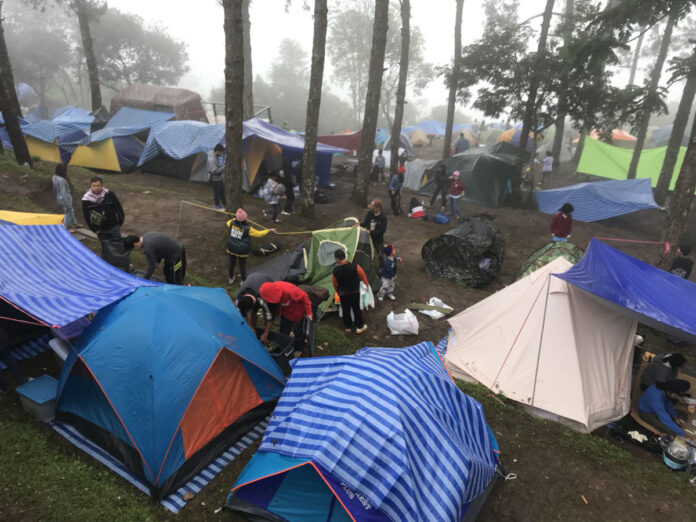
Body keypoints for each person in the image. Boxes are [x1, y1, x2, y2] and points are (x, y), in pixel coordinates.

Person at [259, 281, 313, 358]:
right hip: (285, 313)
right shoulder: (272, 293)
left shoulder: (290, 291)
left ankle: (299, 348)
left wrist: (309, 312)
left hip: (297, 313)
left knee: (298, 332)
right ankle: (284, 347)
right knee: (283, 331)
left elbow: (305, 297)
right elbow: (276, 305)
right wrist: (278, 314)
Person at [226, 208, 273, 284]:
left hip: (231, 247)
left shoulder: (231, 223)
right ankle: (243, 281)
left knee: (232, 263)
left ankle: (231, 278)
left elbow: (228, 222)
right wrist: (268, 230)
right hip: (242, 250)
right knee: (242, 265)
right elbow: (258, 234)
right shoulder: (248, 229)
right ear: (245, 219)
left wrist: (236, 217)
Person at [332, 249, 369, 334]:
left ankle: (348, 327)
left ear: (337, 259)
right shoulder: (355, 266)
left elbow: (334, 283)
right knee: (356, 308)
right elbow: (363, 275)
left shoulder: (335, 270)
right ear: (345, 256)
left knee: (346, 309)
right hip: (355, 292)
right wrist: (366, 285)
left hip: (343, 293)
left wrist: (337, 291)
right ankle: (359, 327)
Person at [236, 273, 275, 343]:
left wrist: (266, 333)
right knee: (253, 312)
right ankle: (253, 331)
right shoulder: (239, 299)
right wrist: (251, 328)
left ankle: (266, 337)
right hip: (251, 279)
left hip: (266, 280)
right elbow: (243, 314)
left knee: (265, 313)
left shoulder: (262, 298)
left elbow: (270, 315)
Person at [82, 176, 125, 240]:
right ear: (91, 186)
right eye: (94, 186)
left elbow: (118, 208)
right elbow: (86, 215)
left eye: (98, 186)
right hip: (100, 229)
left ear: (102, 185)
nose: (96, 188)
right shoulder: (86, 200)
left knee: (117, 244)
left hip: (113, 226)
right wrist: (94, 229)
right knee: (106, 246)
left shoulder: (110, 194)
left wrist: (119, 223)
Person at [52, 164, 79, 230]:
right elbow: (63, 192)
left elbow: (54, 188)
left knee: (70, 210)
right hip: (65, 197)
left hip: (59, 196)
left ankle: (74, 222)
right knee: (68, 211)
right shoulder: (62, 181)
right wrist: (67, 202)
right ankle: (65, 227)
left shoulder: (54, 177)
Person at [207, 144, 226, 210]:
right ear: (217, 151)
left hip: (218, 178)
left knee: (222, 192)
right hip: (214, 179)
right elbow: (214, 172)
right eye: (221, 152)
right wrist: (223, 167)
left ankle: (224, 205)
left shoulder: (215, 156)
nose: (221, 154)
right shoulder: (212, 159)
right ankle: (217, 206)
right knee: (217, 193)